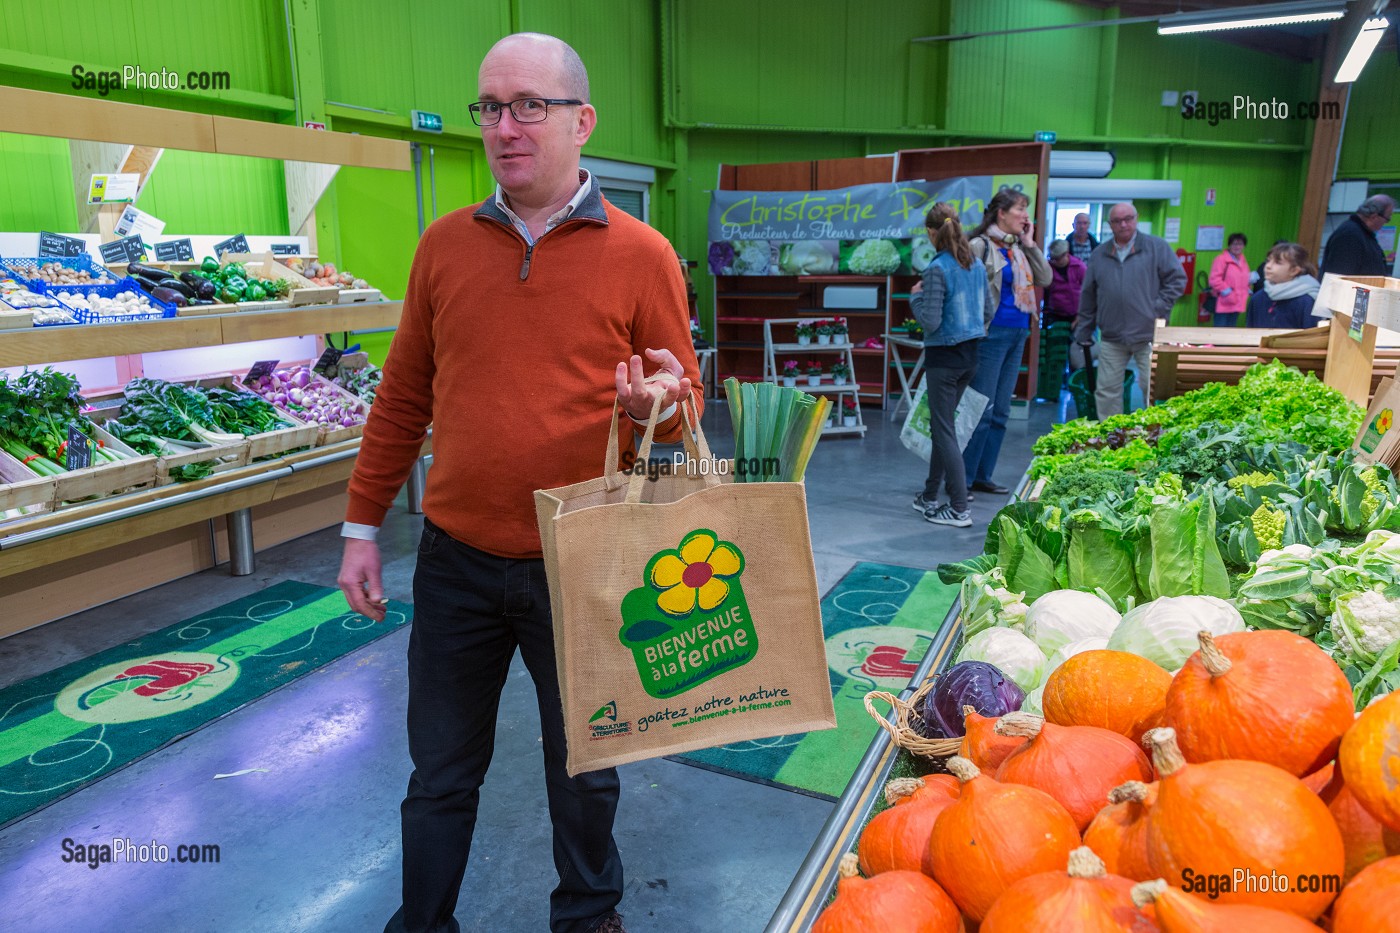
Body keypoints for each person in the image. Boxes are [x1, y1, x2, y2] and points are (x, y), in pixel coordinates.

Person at [337, 33, 701, 933]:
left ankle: (587, 914)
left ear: (582, 121)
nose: (507, 125)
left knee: (586, 760)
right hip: (456, 559)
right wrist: (359, 524)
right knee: (439, 770)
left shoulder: (644, 254)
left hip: (585, 558)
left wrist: (659, 400)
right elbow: (403, 395)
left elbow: (686, 405)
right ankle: (423, 919)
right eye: (491, 107)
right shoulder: (444, 247)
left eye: (529, 105)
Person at [908, 203, 994, 527]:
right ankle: (929, 495)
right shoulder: (974, 265)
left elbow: (930, 322)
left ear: (932, 232)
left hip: (943, 359)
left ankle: (959, 508)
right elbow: (988, 312)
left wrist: (914, 297)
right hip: (971, 356)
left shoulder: (936, 269)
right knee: (942, 428)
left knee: (944, 430)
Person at [961, 189, 1052, 496]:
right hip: (990, 334)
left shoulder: (1018, 248)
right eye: (1020, 210)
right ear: (1001, 213)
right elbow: (963, 288)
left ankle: (983, 475)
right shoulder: (979, 245)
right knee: (982, 410)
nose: (1026, 217)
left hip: (1018, 333)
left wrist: (1031, 245)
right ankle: (963, 478)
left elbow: (1045, 277)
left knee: (1001, 411)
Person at [1074, 202, 1186, 419]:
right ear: (1110, 225)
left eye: (1128, 219)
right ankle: (1111, 438)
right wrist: (1084, 331)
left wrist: (1158, 308)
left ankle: (1154, 435)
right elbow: (1088, 295)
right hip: (1112, 336)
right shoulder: (1099, 254)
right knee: (1106, 392)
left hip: (1149, 335)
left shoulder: (1157, 248)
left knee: (1151, 388)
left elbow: (1177, 279)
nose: (1123, 224)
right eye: (1117, 221)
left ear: (1136, 219)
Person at [1246, 242, 1322, 329]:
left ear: (1294, 270)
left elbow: (1312, 337)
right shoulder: (1257, 298)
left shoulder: (1307, 301)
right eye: (1268, 261)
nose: (1268, 266)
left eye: (1277, 262)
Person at [1320, 194, 1395, 278]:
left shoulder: (1362, 234)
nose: (1385, 223)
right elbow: (1341, 276)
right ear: (1374, 216)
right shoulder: (1349, 235)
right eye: (1387, 219)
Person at [1044, 238, 1087, 371]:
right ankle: (1057, 381)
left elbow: (1089, 294)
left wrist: (1080, 317)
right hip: (1055, 315)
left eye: (1057, 258)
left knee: (1076, 354)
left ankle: (1073, 382)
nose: (1054, 261)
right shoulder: (1048, 268)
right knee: (1056, 352)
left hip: (1077, 315)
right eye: (1052, 258)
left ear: (1066, 254)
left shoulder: (1079, 267)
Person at [1207, 232, 1250, 327]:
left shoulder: (1243, 261)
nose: (1237, 247)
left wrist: (1248, 288)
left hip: (1238, 303)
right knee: (1220, 332)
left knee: (1231, 332)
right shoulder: (1221, 259)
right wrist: (1228, 293)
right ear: (1229, 245)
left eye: (1240, 244)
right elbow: (1214, 280)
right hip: (1223, 303)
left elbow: (1243, 279)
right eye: (1234, 244)